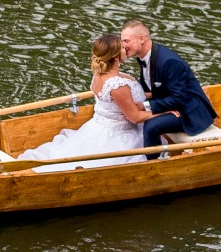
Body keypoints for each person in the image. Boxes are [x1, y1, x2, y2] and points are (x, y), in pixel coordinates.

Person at [15, 32, 149, 171]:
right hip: (121, 135)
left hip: (97, 128)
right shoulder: (117, 85)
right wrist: (162, 113)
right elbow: (135, 117)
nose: (125, 49)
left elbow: (124, 98)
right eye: (122, 47)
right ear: (115, 56)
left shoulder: (99, 75)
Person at [121, 20, 218, 150]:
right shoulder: (143, 57)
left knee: (151, 126)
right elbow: (154, 88)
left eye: (126, 41)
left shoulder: (169, 61)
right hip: (170, 100)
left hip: (188, 110)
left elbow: (179, 99)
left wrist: (144, 106)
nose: (122, 46)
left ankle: (152, 164)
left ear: (142, 39)